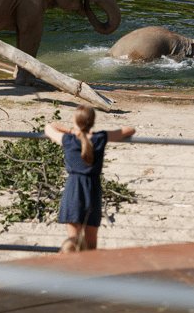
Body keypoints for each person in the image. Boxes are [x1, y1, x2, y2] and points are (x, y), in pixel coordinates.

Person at [44, 105, 135, 250]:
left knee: (73, 243)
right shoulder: (100, 138)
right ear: (92, 122)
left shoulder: (68, 139)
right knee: (92, 245)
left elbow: (49, 127)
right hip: (92, 190)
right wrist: (96, 132)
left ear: (75, 121)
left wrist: (71, 130)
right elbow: (130, 129)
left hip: (73, 189)